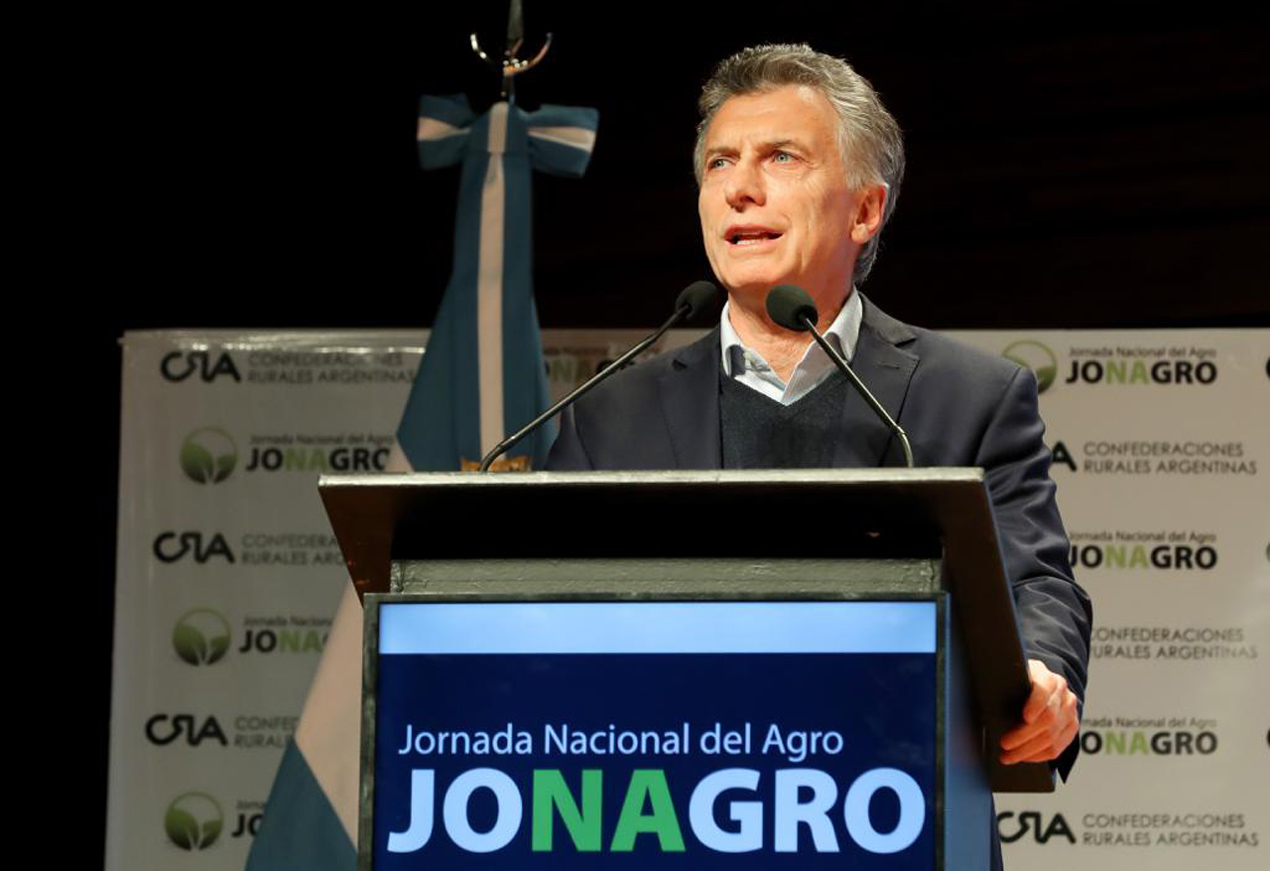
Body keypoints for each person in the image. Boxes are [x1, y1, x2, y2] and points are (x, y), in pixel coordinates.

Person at [547, 43, 1091, 865]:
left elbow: (1036, 581)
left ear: (864, 210)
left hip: (893, 811)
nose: (740, 187)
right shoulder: (608, 416)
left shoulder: (971, 397)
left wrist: (1043, 675)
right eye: (721, 162)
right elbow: (542, 614)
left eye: (781, 157)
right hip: (665, 817)